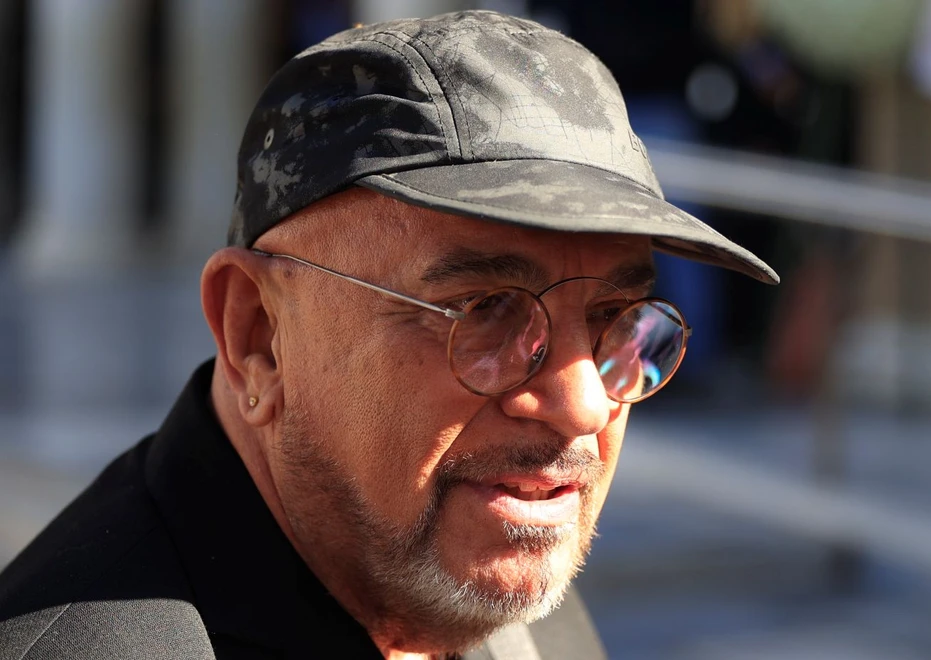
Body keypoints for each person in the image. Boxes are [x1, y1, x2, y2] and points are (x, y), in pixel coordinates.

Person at [0, 10, 777, 659]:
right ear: (259, 335)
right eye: (486, 309)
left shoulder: (488, 587)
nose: (583, 406)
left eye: (615, 319)